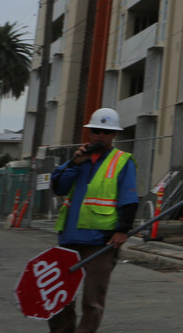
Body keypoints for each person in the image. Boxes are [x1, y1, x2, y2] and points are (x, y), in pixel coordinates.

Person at [48, 107, 139, 333]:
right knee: (60, 297)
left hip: (101, 242)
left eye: (106, 132)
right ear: (89, 132)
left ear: (114, 135)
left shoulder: (122, 161)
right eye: (96, 130)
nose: (100, 135)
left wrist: (122, 230)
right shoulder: (79, 159)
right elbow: (59, 186)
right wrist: (75, 163)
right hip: (69, 239)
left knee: (92, 299)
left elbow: (129, 198)